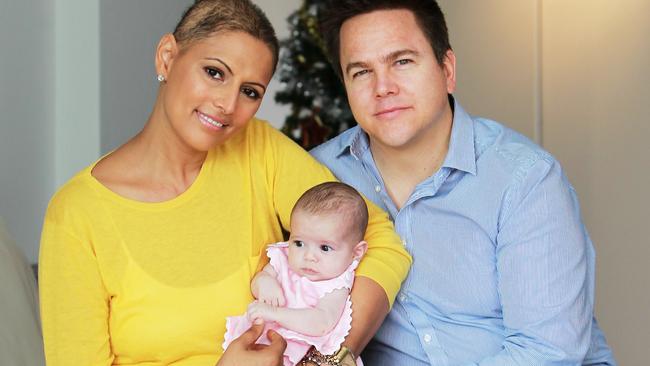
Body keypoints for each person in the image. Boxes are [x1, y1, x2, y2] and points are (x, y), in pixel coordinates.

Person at [38, 1, 411, 365]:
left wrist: (327, 359)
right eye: (215, 72)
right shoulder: (76, 214)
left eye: (250, 92)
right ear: (167, 57)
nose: (227, 104)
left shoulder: (259, 149)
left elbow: (379, 240)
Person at [311, 0, 617, 365]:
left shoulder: (524, 180)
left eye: (402, 62)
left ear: (447, 69)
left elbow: (548, 353)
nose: (383, 87)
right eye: (361, 72)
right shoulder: (319, 175)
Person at [223, 182, 368, 366]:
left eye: (324, 248)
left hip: (304, 354)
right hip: (262, 345)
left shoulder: (336, 283)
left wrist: (275, 313)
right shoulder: (284, 258)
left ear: (356, 252)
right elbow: (260, 279)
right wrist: (266, 284)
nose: (308, 256)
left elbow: (321, 322)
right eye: (299, 243)